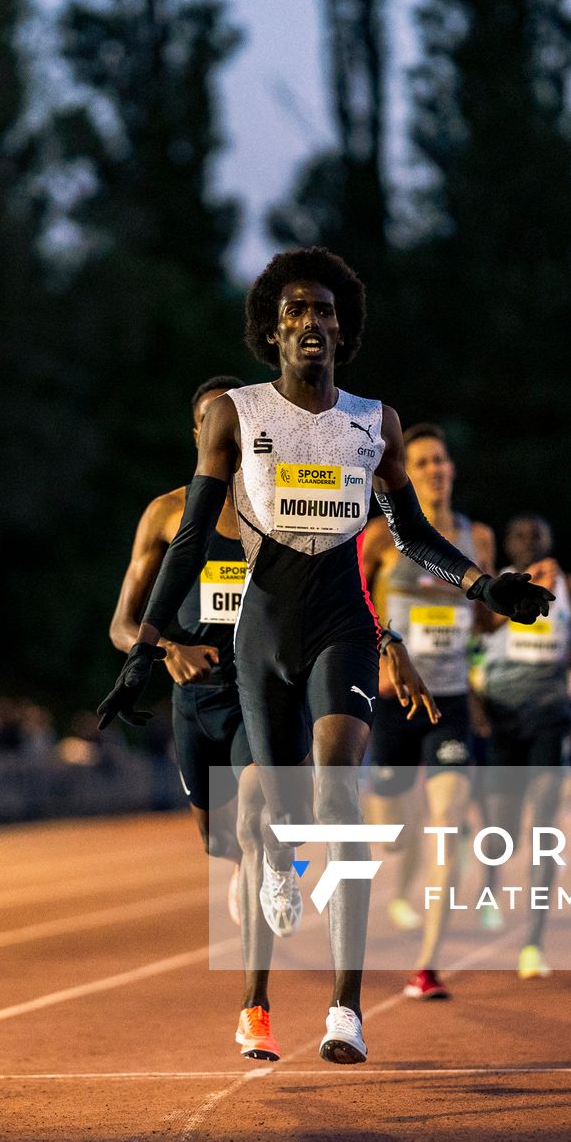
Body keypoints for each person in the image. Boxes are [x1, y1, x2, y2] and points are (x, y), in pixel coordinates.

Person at [96, 247, 554, 1064]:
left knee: (339, 801)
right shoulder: (235, 415)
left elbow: (409, 532)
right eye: (297, 311)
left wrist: (485, 587)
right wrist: (146, 649)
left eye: (326, 312)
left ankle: (346, 1010)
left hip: (341, 621)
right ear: (272, 332)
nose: (313, 322)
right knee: (269, 816)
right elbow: (195, 532)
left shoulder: (375, 421)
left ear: (345, 331)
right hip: (261, 633)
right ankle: (256, 989)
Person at [109, 375, 438, 1056]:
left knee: (262, 813)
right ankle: (254, 861)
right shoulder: (170, 515)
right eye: (209, 425)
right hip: (195, 698)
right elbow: (125, 623)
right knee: (220, 841)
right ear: (201, 435)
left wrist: (389, 641)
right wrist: (165, 650)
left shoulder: (282, 502)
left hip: (260, 683)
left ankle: (261, 1003)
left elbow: (338, 589)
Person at [356, 425, 492, 998]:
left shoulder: (475, 537)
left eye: (440, 460)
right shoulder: (382, 537)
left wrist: (506, 607)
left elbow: (485, 619)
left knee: (447, 826)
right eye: (422, 462)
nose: (434, 470)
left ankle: (428, 964)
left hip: (450, 702)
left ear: (452, 468)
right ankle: (401, 853)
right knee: (394, 831)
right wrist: (383, 653)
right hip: (393, 701)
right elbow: (352, 599)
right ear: (405, 474)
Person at [468, 514, 571, 984]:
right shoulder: (497, 586)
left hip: (551, 713)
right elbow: (478, 632)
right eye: (520, 535)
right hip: (504, 715)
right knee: (504, 825)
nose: (529, 540)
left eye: (538, 535)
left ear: (550, 540)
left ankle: (533, 941)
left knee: (544, 820)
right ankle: (491, 881)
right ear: (509, 543)